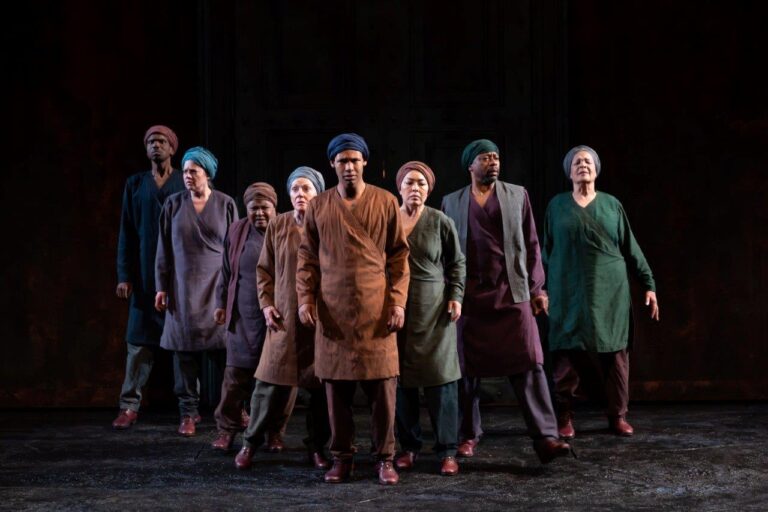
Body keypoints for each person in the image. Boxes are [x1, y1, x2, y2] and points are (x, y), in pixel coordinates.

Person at [441, 139, 571, 464]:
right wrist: (447, 295)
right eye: (485, 158)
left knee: (529, 362)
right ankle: (467, 435)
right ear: (470, 165)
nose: (493, 162)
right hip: (469, 296)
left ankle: (546, 438)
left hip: (511, 292)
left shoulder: (517, 195)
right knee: (464, 371)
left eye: (496, 157)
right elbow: (443, 254)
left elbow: (531, 244)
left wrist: (538, 290)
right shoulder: (451, 202)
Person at [296, 133, 410, 485]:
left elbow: (400, 257)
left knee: (383, 394)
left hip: (377, 311)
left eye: (354, 160)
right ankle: (342, 457)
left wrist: (398, 302)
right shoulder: (318, 206)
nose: (349, 167)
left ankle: (385, 458)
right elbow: (307, 260)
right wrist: (305, 298)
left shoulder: (386, 201)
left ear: (365, 162)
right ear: (332, 164)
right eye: (342, 161)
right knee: (337, 393)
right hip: (334, 311)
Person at [542, 145, 659, 439]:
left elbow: (630, 247)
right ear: (569, 172)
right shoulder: (557, 206)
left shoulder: (611, 205)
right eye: (577, 162)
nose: (583, 165)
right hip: (567, 289)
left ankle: (617, 415)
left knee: (615, 353)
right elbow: (544, 252)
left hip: (610, 290)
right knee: (565, 353)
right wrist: (540, 288)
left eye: (588, 161)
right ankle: (564, 416)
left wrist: (648, 284)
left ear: (596, 169)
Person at [234, 167, 332, 471]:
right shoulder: (279, 225)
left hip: (318, 320)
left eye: (306, 189)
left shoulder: (329, 224)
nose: (300, 195)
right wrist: (266, 305)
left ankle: (317, 448)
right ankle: (250, 443)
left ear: (318, 192)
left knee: (317, 389)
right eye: (295, 190)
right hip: (284, 319)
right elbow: (263, 270)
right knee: (267, 384)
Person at [155, 146, 238, 436]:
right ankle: (188, 412)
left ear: (207, 174)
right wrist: (161, 287)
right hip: (182, 287)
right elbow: (163, 249)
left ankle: (232, 409)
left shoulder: (226, 203)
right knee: (184, 353)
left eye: (194, 171)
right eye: (186, 171)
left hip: (217, 285)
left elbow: (234, 250)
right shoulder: (173, 204)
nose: (187, 176)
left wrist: (233, 290)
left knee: (226, 354)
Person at [391, 161, 466, 476]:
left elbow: (457, 262)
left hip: (434, 309)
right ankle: (408, 447)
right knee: (402, 382)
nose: (415, 189)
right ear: (400, 187)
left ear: (429, 189)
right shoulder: (389, 219)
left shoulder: (440, 221)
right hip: (396, 309)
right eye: (410, 183)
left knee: (441, 381)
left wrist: (456, 296)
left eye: (421, 183)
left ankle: (447, 450)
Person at [112, 125, 185, 429]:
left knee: (184, 344)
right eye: (151, 142)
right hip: (143, 276)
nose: (156, 146)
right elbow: (126, 232)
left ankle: (189, 409)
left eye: (162, 141)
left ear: (172, 148)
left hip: (179, 276)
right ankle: (129, 406)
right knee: (138, 344)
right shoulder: (136, 184)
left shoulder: (185, 180)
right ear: (146, 150)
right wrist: (124, 275)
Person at [210, 183, 278, 450]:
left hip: (275, 315)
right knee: (235, 375)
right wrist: (221, 303)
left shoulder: (283, 228)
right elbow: (226, 271)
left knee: (275, 379)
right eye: (253, 208)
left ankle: (274, 433)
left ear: (275, 207)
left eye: (265, 208)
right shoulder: (237, 230)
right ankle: (227, 429)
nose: (259, 213)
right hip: (242, 312)